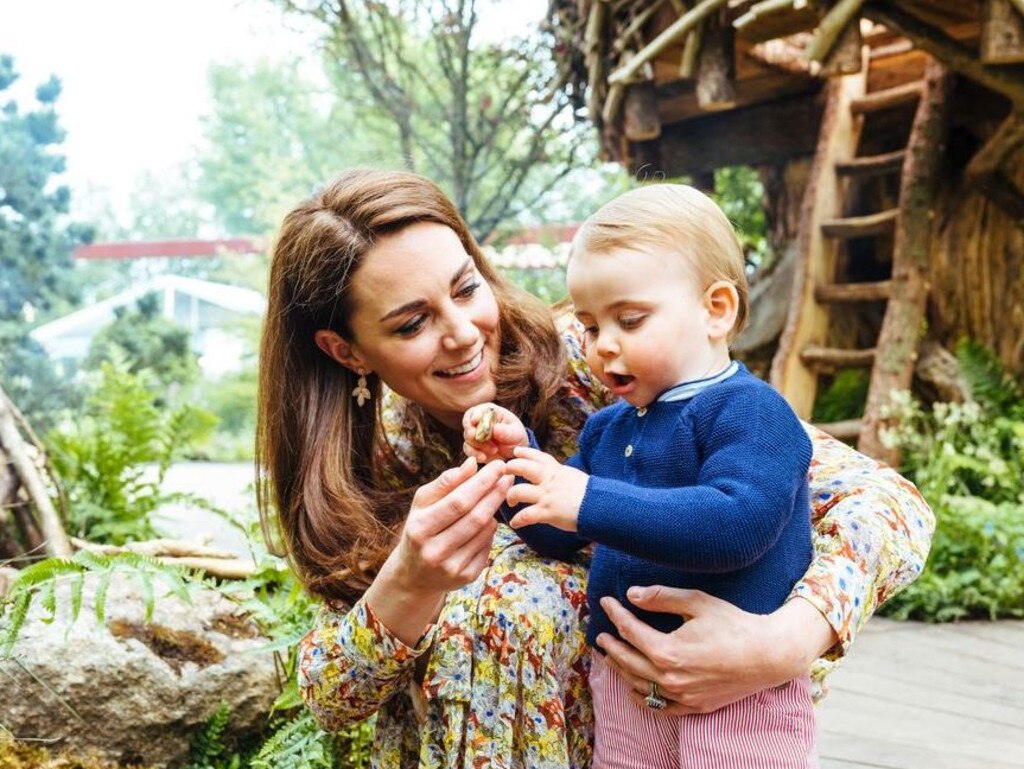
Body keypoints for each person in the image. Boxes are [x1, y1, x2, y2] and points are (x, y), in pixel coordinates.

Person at [256, 167, 935, 769]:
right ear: (347, 351)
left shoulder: (608, 362)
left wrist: (784, 642)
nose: (462, 331)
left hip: (707, 731)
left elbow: (889, 502)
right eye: (412, 324)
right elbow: (330, 695)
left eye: (466, 287)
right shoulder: (368, 470)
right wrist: (409, 582)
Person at [462, 184, 817, 767]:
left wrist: (587, 501)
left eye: (630, 319)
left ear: (716, 309)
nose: (604, 346)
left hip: (738, 695)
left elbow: (737, 524)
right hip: (625, 683)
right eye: (592, 326)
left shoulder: (752, 412)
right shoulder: (607, 430)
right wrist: (512, 464)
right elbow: (555, 529)